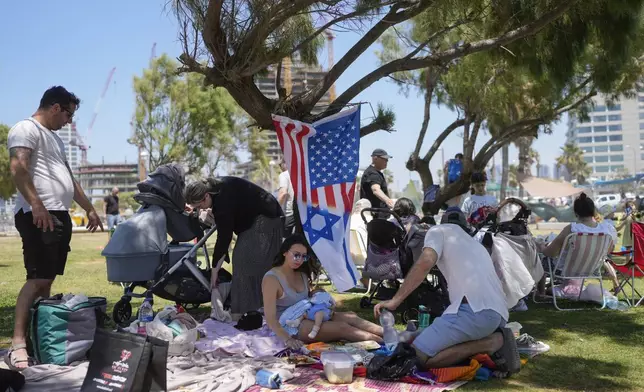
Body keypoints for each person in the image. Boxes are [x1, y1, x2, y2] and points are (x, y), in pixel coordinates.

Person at [6, 86, 103, 370]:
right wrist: (37, 205)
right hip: (38, 215)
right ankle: (18, 344)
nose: (69, 122)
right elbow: (18, 168)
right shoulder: (25, 129)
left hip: (58, 216)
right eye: (69, 115)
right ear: (55, 107)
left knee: (47, 282)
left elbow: (70, 181)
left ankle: (41, 339)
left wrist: (89, 208)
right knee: (36, 279)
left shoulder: (55, 141)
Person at [373, 199, 520, 373]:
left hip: (475, 312)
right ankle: (492, 338)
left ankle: (492, 343)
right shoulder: (474, 244)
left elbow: (425, 262)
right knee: (436, 341)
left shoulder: (437, 231)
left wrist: (395, 301)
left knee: (417, 357)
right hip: (499, 314)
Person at [185, 177, 284, 318]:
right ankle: (253, 307)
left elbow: (224, 238)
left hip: (267, 218)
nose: (203, 209)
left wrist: (214, 271)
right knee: (246, 261)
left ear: (206, 196)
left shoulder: (222, 200)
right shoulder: (216, 189)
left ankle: (247, 309)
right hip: (257, 220)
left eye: (201, 206)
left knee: (243, 260)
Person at [263, 235, 384, 349]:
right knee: (342, 328)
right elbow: (270, 319)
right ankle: (388, 343)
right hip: (290, 326)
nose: (299, 260)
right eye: (296, 255)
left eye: (304, 256)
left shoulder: (301, 274)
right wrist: (288, 340)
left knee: (351, 316)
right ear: (284, 252)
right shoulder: (272, 279)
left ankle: (393, 334)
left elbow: (306, 298)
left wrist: (318, 294)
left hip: (309, 315)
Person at [537, 192, 620, 296]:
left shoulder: (572, 229)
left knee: (540, 259)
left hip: (566, 271)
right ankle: (558, 288)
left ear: (576, 213)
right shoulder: (606, 230)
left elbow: (550, 253)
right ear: (593, 212)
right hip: (592, 269)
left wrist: (542, 247)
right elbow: (607, 252)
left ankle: (541, 292)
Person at [360, 149, 394, 218]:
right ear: (375, 158)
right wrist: (388, 201)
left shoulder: (375, 172)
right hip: (376, 216)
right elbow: (376, 190)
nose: (387, 161)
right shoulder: (373, 173)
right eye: (385, 159)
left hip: (377, 214)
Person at [277, 158, 295, 236]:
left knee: (284, 242)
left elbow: (283, 193)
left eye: (280, 166)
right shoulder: (301, 174)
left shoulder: (284, 175)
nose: (281, 168)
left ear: (285, 164)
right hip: (302, 213)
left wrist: (275, 208)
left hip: (289, 214)